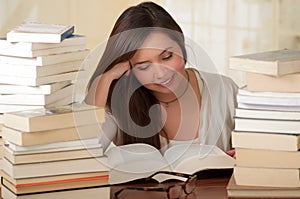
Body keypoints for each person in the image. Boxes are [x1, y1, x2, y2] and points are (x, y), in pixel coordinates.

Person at [85, 1, 238, 155]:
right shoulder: (118, 105)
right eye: (144, 66)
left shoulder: (224, 89)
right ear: (128, 69)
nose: (161, 74)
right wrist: (104, 80)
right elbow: (84, 153)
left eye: (167, 57)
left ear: (181, 43)